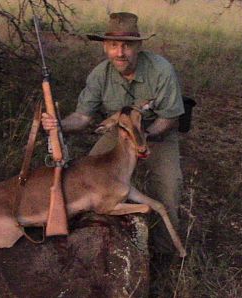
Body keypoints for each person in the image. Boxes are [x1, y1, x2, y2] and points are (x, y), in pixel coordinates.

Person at [42, 12, 184, 254]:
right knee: (85, 179)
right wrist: (59, 125)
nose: (120, 52)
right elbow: (83, 117)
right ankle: (94, 238)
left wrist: (141, 136)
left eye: (127, 45)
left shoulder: (161, 70)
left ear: (139, 46)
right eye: (113, 45)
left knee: (168, 188)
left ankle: (165, 252)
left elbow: (169, 117)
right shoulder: (99, 74)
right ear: (105, 46)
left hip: (155, 135)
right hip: (118, 133)